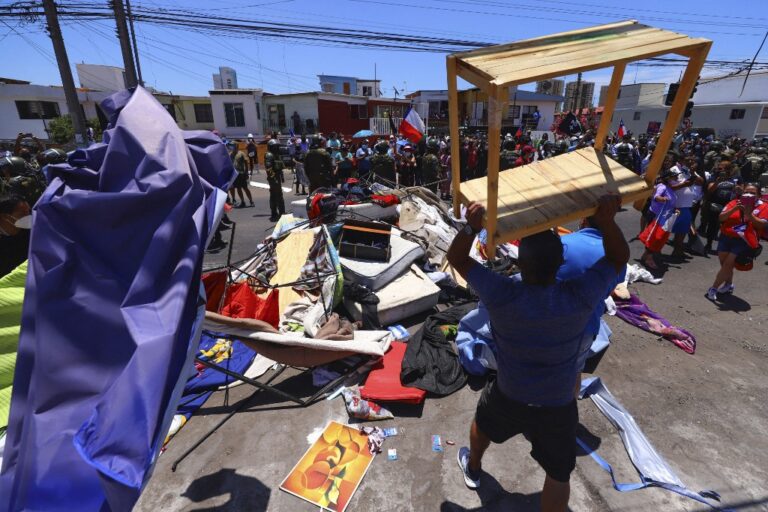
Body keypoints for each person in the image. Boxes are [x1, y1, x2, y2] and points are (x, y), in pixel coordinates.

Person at [447, 195, 627, 512]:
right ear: (560, 263)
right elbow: (618, 258)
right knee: (558, 474)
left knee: (483, 425)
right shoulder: (580, 296)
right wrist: (607, 222)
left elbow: (458, 259)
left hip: (509, 393)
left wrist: (471, 228)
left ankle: (473, 468)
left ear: (519, 264)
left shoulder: (502, 292)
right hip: (557, 402)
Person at [706, 183, 767, 301]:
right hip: (726, 237)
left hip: (744, 240)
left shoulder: (763, 207)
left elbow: (761, 225)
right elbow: (721, 218)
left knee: (728, 264)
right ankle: (729, 284)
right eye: (746, 192)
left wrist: (749, 214)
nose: (749, 195)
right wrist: (735, 209)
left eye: (753, 193)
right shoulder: (734, 202)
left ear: (759, 195)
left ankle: (713, 288)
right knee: (725, 265)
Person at [640, 168, 678, 270]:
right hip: (656, 216)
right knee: (654, 237)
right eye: (674, 177)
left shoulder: (669, 187)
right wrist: (662, 199)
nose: (676, 178)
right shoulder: (662, 186)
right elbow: (656, 197)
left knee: (656, 237)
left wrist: (674, 209)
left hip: (663, 216)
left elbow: (671, 202)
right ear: (668, 178)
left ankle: (646, 256)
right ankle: (649, 258)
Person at [0, 194, 32, 278]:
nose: (28, 216)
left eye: (28, 212)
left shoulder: (31, 233)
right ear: (5, 217)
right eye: (22, 214)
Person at [265, 140, 286, 221]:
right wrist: (274, 178)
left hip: (277, 177)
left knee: (275, 195)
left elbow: (279, 167)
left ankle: (277, 213)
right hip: (273, 178)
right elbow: (269, 168)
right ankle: (279, 213)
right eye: (276, 146)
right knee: (277, 196)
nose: (277, 148)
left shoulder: (276, 155)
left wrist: (282, 176)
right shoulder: (269, 155)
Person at [229, 141, 254, 208]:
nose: (231, 147)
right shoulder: (230, 154)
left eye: (233, 145)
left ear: (236, 146)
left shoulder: (241, 153)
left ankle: (251, 201)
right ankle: (242, 202)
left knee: (245, 188)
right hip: (235, 174)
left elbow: (246, 163)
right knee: (238, 188)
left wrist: (246, 173)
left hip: (241, 174)